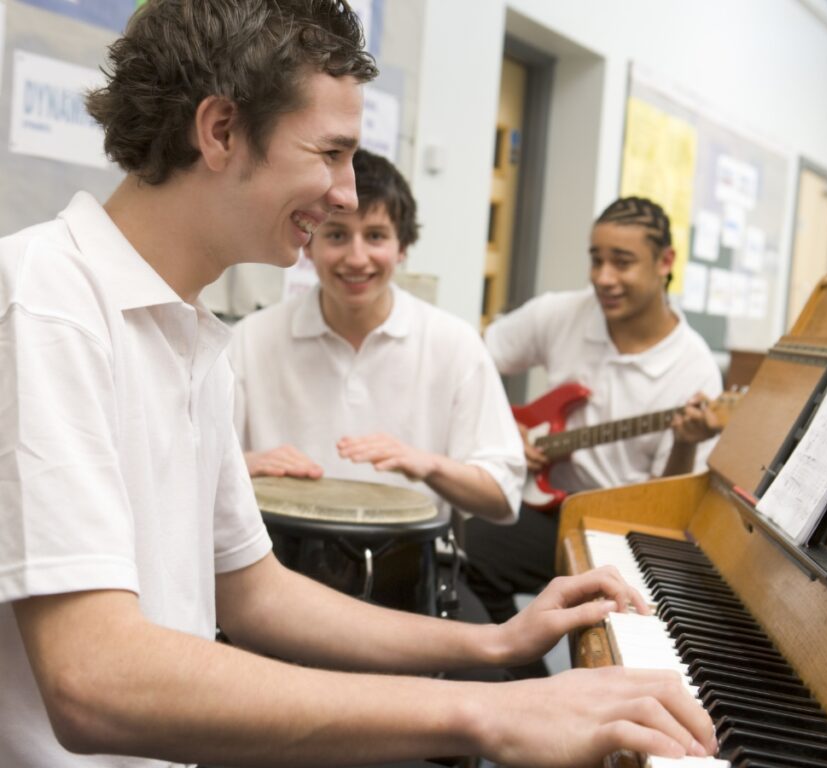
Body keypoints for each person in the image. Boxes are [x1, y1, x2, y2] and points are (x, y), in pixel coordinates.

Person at [0, 3, 717, 767]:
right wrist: (493, 711)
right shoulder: (45, 304)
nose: (346, 194)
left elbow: (254, 592)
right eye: (332, 153)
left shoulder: (187, 330)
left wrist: (494, 642)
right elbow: (94, 681)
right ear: (220, 131)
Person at [465, 196, 724, 676]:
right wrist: (507, 427)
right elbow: (470, 363)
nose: (604, 277)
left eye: (622, 262)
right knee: (468, 546)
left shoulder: (695, 370)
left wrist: (686, 440)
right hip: (551, 513)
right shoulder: (561, 314)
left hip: (624, 531)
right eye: (596, 259)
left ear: (665, 263)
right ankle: (526, 688)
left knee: (619, 638)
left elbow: (669, 505)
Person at [229, 148, 524, 525]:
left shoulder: (454, 344)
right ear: (308, 245)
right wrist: (245, 463)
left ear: (402, 248)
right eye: (336, 235)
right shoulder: (250, 340)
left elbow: (503, 498)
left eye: (375, 236)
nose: (356, 258)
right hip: (274, 565)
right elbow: (192, 467)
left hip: (408, 570)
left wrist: (429, 466)